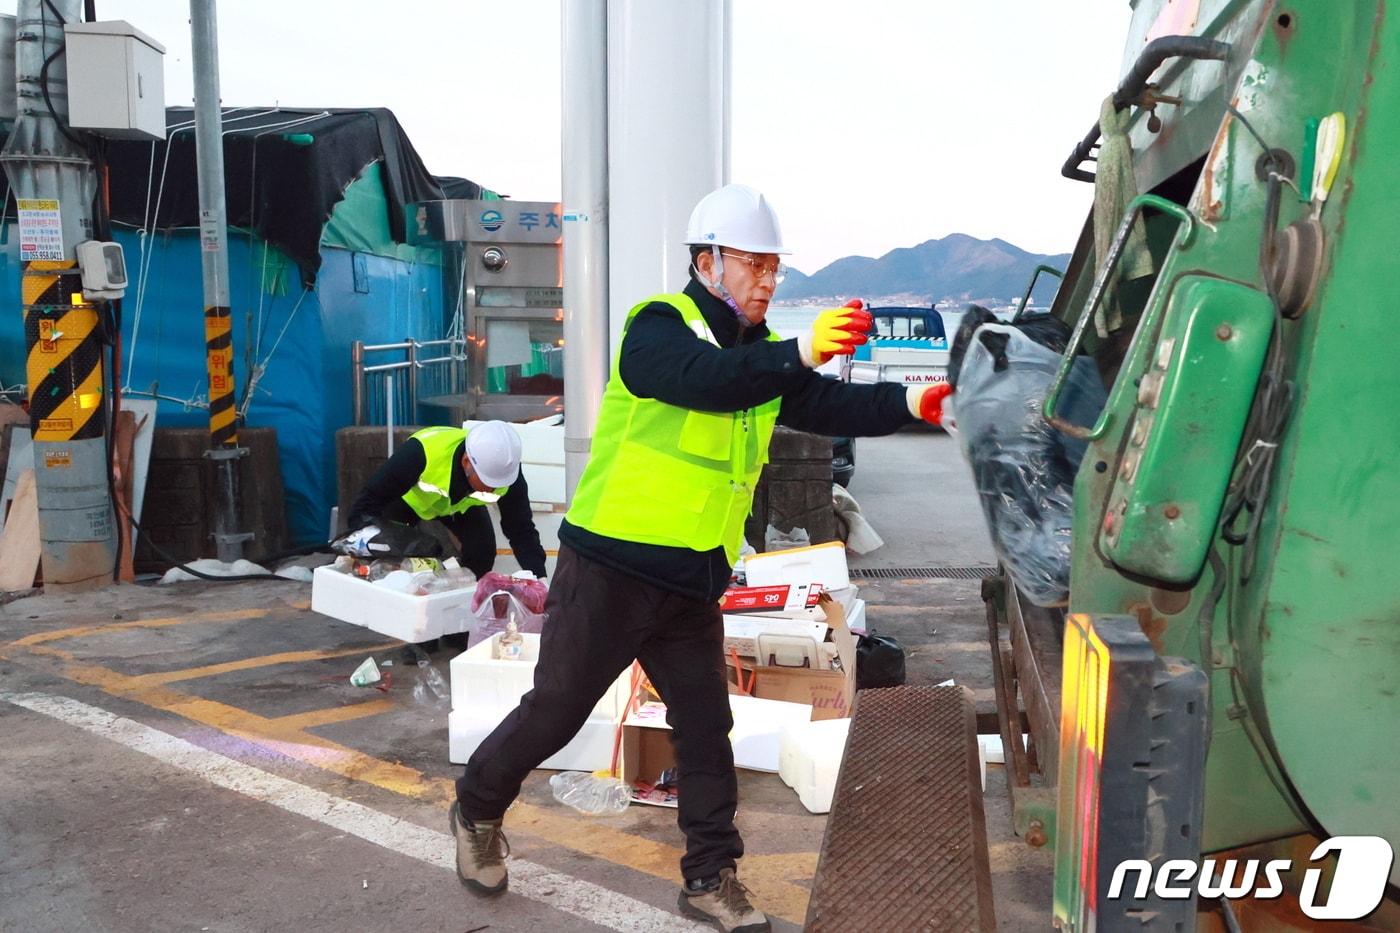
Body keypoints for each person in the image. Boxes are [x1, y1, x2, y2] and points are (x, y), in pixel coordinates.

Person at [449, 184, 949, 932]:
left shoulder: (758, 359)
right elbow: (701, 383)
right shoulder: (658, 327)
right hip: (610, 569)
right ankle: (476, 808)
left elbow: (821, 402)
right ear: (708, 261)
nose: (768, 281)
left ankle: (711, 876)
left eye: (776, 269)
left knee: (705, 729)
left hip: (689, 583)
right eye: (755, 265)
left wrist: (910, 406)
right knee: (556, 709)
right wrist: (801, 348)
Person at [345, 421, 547, 583]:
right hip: (409, 502)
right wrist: (361, 541)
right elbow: (367, 502)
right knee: (402, 559)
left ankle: (458, 622)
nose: (493, 489)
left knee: (482, 552)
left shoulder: (505, 472)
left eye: (497, 484)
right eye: (487, 482)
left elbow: (521, 529)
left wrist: (540, 578)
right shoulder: (420, 453)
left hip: (462, 505)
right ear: (467, 462)